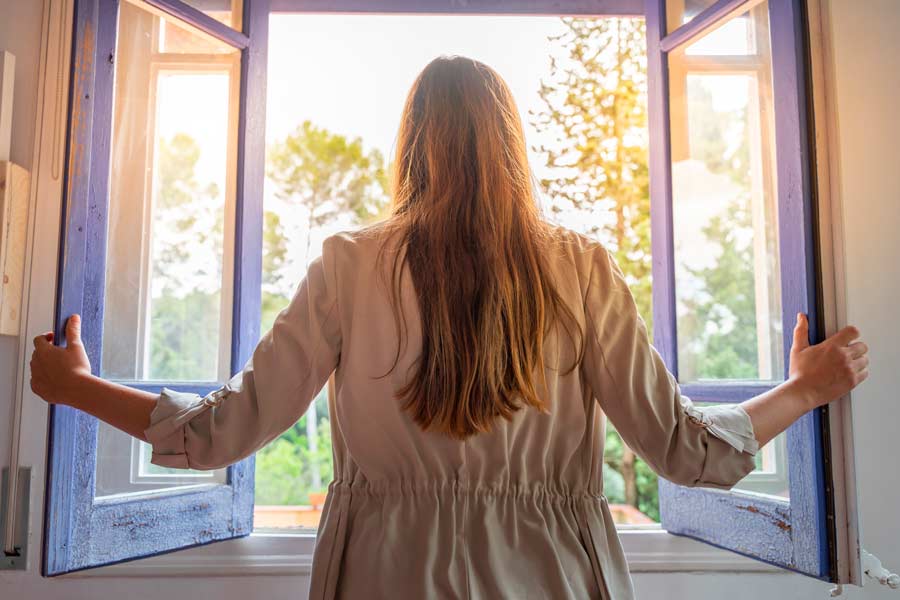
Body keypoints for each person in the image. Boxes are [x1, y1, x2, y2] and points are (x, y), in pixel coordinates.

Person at [29, 56, 869, 600]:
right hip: (556, 580)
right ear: (514, 147)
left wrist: (72, 386)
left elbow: (220, 435)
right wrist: (808, 386)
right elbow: (686, 452)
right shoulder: (579, 268)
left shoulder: (348, 263)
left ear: (410, 147)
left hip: (381, 579)